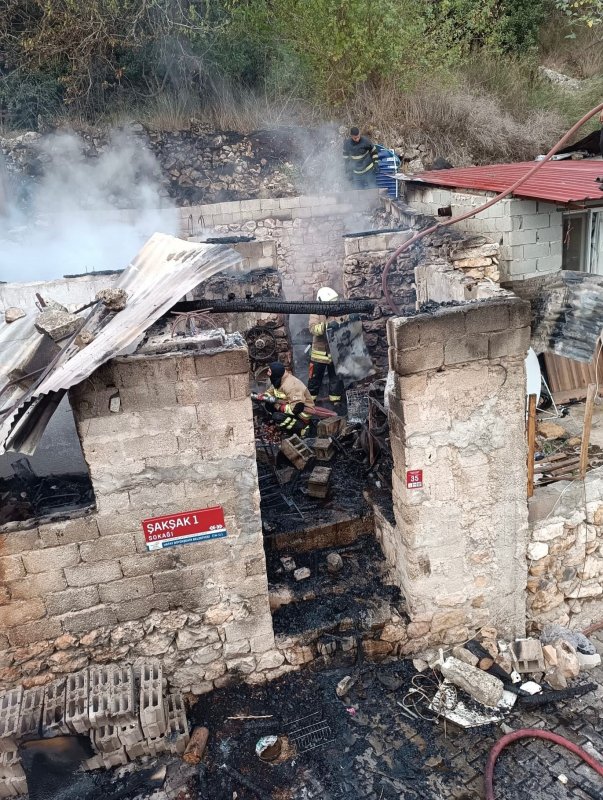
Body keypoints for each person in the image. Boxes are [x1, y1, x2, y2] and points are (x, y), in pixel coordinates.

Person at [308, 287, 347, 408]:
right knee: (314, 380)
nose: (332, 305)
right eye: (330, 302)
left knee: (336, 378)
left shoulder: (339, 309)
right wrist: (327, 326)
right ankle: (310, 402)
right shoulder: (316, 312)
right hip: (319, 354)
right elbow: (313, 329)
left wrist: (342, 324)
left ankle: (336, 402)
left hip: (335, 351)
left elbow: (345, 321)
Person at [264, 361, 315, 437]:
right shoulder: (278, 380)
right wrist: (264, 397)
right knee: (268, 404)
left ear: (275, 373)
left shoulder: (291, 386)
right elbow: (269, 392)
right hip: (288, 406)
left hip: (301, 414)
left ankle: (302, 429)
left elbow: (297, 408)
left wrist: (278, 406)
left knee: (277, 417)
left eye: (269, 371)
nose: (267, 373)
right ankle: (286, 423)